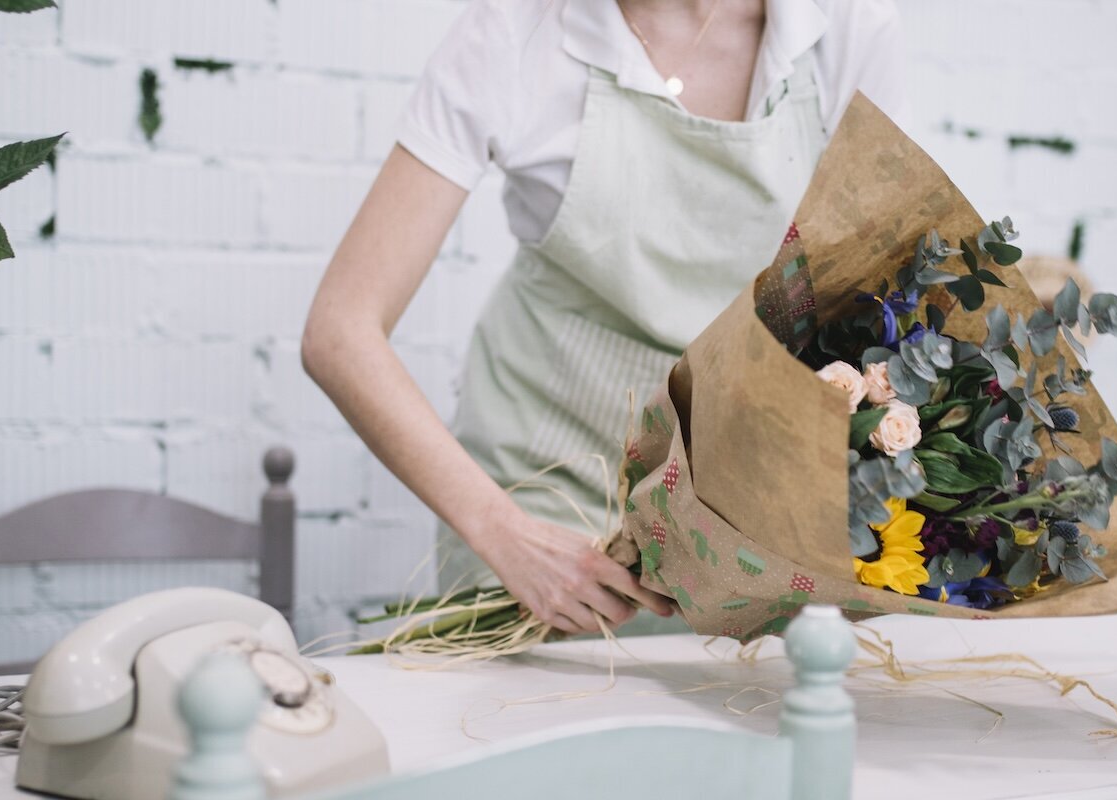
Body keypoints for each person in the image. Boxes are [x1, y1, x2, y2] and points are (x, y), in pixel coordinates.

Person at [302, 0, 904, 636]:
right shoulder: (514, 34)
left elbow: (885, 301)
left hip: (739, 521)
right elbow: (340, 333)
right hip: (544, 506)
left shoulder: (843, 31)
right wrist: (506, 536)